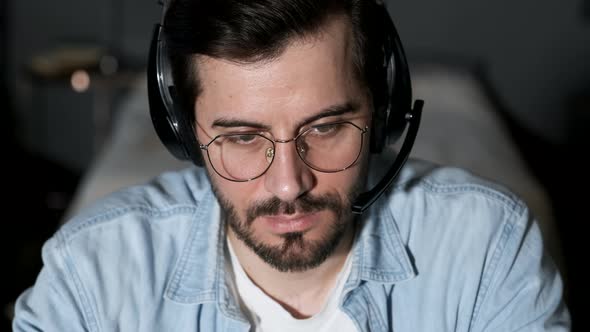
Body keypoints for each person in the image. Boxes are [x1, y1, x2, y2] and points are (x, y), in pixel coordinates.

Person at [13, 0, 570, 331]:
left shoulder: (487, 248)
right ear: (184, 133)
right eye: (243, 137)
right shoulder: (89, 274)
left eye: (325, 128)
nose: (289, 185)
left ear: (382, 111)